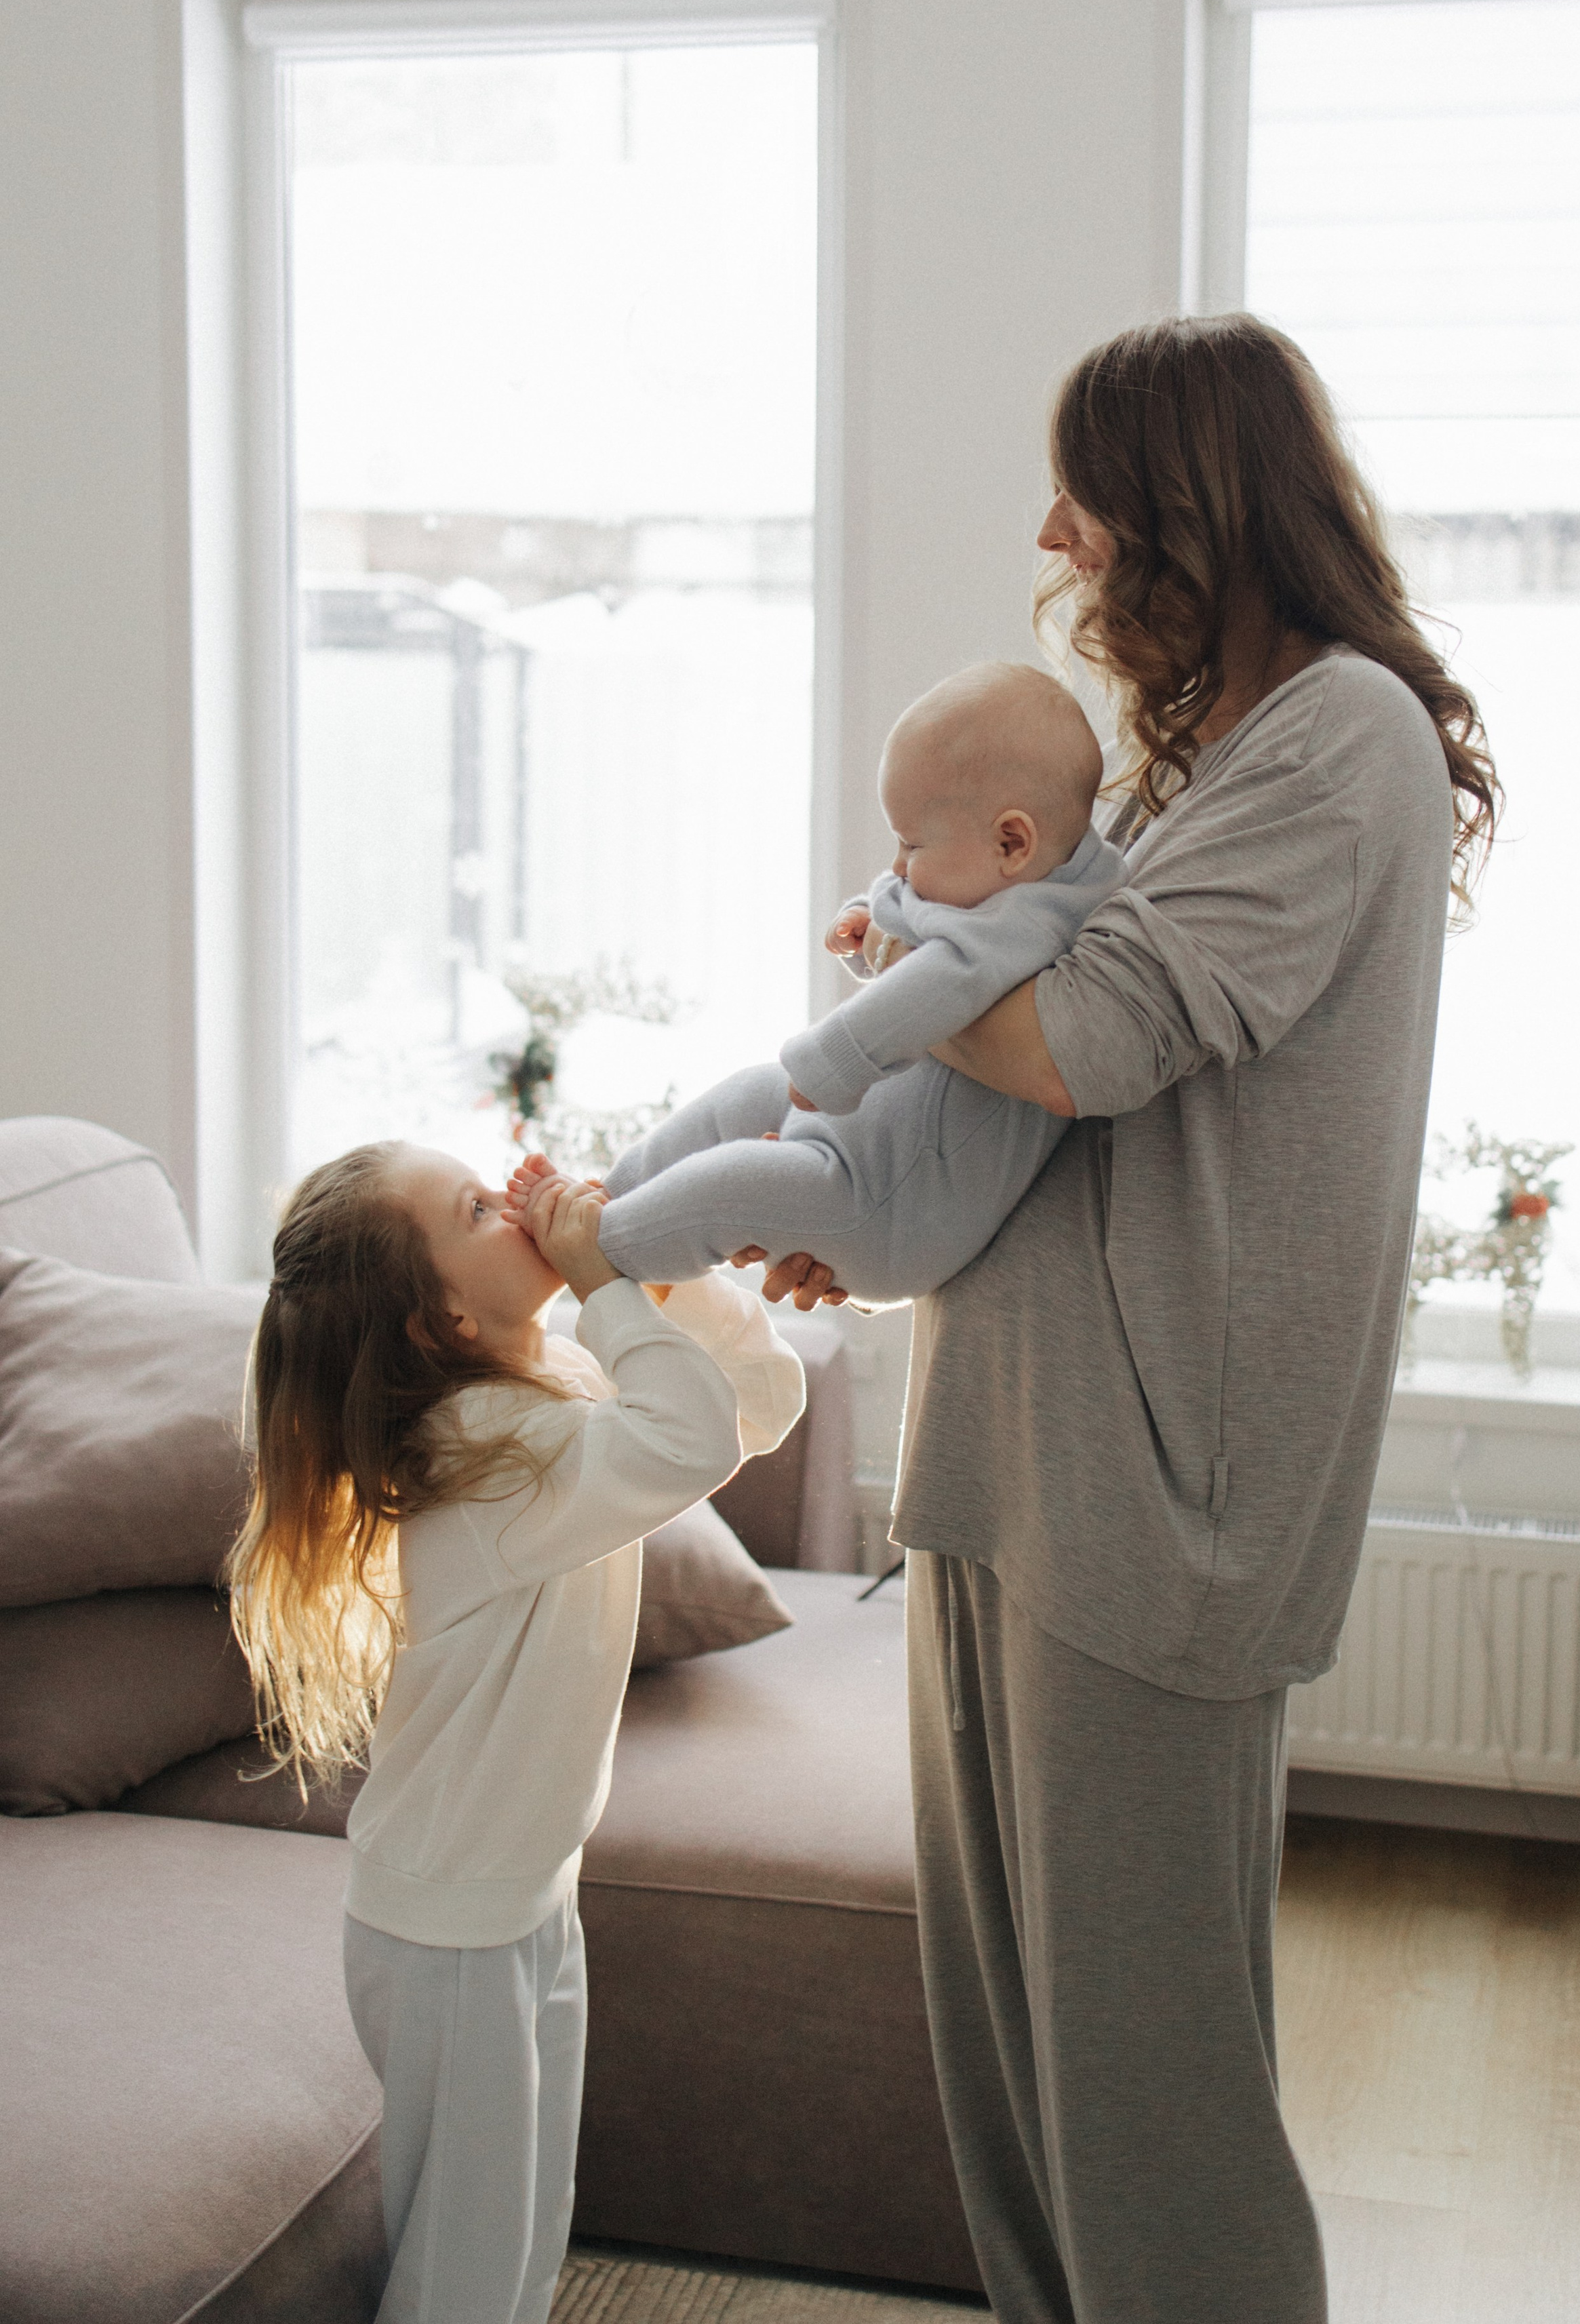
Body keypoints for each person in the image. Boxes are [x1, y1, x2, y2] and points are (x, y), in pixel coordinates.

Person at [766, 315, 1500, 2321]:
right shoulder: (1198, 765)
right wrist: (880, 1194)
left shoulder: (1339, 733)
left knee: (1147, 2089)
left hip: (1163, 1495)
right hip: (1019, 1452)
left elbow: (1083, 1045)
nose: (1047, 529)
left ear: (1186, 500)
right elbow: (1051, 1125)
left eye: (1077, 486)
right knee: (1012, 2071)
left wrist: (916, 940)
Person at [227, 1142, 804, 2324]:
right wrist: (603, 1280)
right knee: (469, 2249)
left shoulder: (552, 1385)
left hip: (522, 1886)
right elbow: (689, 1441)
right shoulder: (480, 1453)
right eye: (478, 1208)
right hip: (450, 1925)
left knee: (531, 2214)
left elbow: (756, 1406)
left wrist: (650, 1278)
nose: (515, 1199)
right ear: (442, 1315)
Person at [587, 663, 1126, 1303]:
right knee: (748, 1094)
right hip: (859, 1154)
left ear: (1013, 840)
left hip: (885, 1207)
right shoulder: (1016, 875)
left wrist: (829, 1061)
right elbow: (918, 934)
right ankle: (608, 1194)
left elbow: (936, 986)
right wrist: (875, 927)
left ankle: (600, 1247)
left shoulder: (1039, 918)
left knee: (737, 1183)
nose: (898, 866)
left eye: (911, 845)